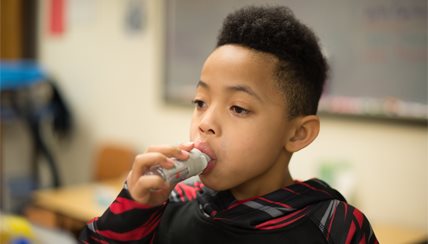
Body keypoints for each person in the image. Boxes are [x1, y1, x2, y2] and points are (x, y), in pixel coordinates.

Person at [80, 5, 378, 244]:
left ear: (298, 133)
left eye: (238, 108)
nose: (205, 123)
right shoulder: (172, 201)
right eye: (200, 102)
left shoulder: (337, 227)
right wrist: (133, 208)